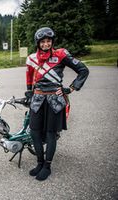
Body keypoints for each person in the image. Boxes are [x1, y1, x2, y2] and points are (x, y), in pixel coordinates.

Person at [25, 27, 89, 181]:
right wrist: (29, 93)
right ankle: (39, 163)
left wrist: (70, 89)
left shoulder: (61, 54)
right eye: (43, 41)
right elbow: (29, 76)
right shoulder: (31, 58)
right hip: (38, 99)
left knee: (50, 134)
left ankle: (47, 166)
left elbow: (83, 70)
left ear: (52, 42)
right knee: (34, 132)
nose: (46, 44)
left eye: (49, 41)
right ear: (38, 43)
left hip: (54, 100)